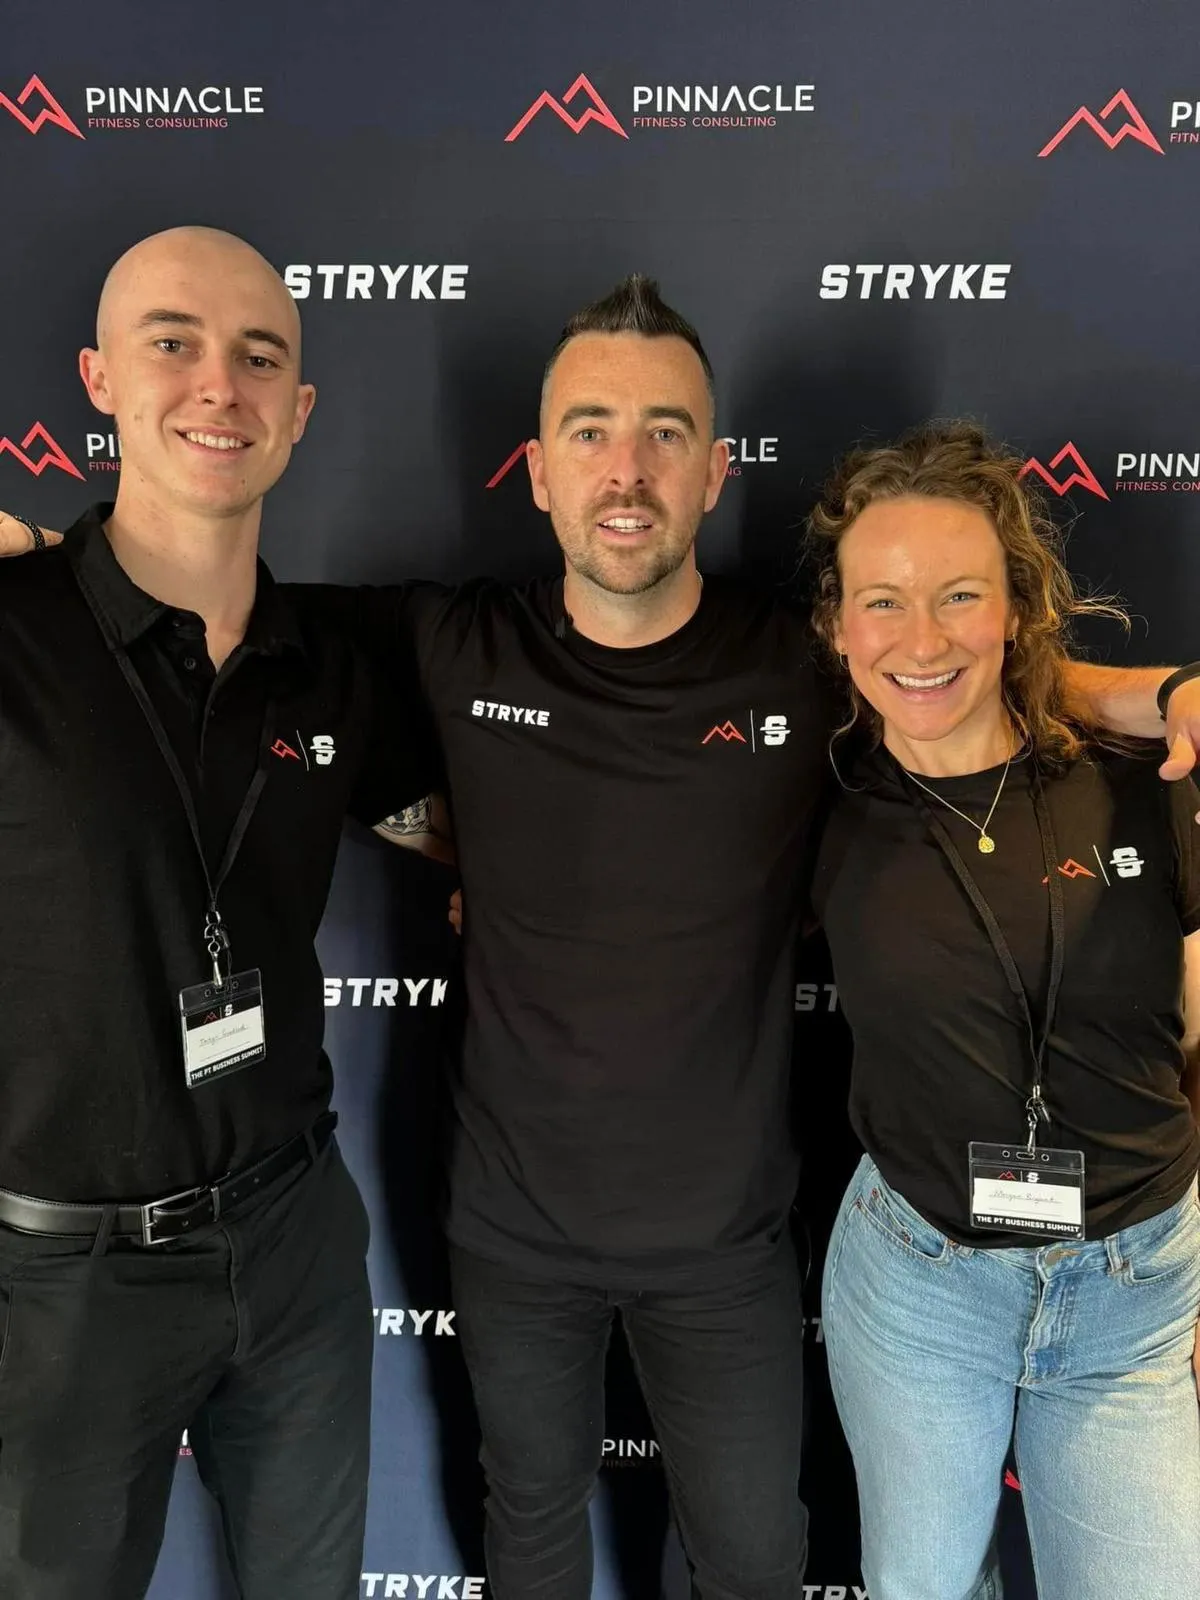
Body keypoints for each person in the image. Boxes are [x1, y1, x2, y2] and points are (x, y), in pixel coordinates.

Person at [5, 277, 1200, 1600]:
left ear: (715, 472)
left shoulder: (803, 665)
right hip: (514, 1237)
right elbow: (205, 609)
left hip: (729, 1242)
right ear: (537, 470)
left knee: (755, 1557)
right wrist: (50, 563)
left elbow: (959, 665)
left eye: (664, 433)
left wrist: (1158, 693)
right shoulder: (447, 641)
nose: (626, 469)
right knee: (530, 1530)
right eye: (589, 430)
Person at [0, 227, 438, 1600]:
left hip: (293, 1233)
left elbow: (491, 805)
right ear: (99, 381)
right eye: (173, 344)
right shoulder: (9, 625)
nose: (218, 386)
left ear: (298, 412)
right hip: (64, 1278)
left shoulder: (334, 665)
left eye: (259, 358)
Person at [806, 421, 1200, 1600]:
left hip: (1133, 1294)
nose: (921, 639)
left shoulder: (1144, 782)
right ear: (837, 624)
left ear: (1019, 609)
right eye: (883, 601)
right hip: (919, 1283)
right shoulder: (816, 798)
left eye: (960, 596)